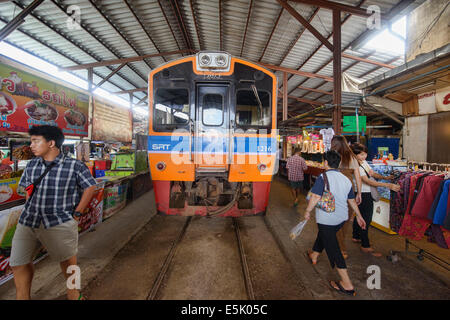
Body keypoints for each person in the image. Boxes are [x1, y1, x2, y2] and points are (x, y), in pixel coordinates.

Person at [10, 125, 97, 300]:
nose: (31, 145)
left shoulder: (75, 165)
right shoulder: (32, 164)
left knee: (68, 263)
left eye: (35, 141)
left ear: (51, 143)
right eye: (31, 141)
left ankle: (74, 294)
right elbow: (28, 190)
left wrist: (77, 214)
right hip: (28, 221)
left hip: (59, 221)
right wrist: (28, 207)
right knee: (18, 263)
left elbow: (90, 187)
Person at [304, 150, 366, 296]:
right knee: (326, 236)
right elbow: (351, 200)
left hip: (327, 219)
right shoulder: (346, 179)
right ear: (338, 163)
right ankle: (314, 255)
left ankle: (347, 284)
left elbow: (315, 197)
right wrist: (359, 215)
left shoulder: (322, 177)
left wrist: (307, 211)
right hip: (341, 219)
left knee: (334, 249)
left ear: (325, 162)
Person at [350, 143, 400, 257]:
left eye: (365, 153)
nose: (364, 156)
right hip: (363, 193)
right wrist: (388, 186)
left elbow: (372, 174)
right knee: (366, 219)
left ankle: (356, 236)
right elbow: (368, 181)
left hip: (364, 193)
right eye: (361, 154)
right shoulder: (356, 165)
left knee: (360, 216)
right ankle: (365, 245)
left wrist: (385, 178)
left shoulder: (363, 162)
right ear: (355, 154)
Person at [330, 135, 362, 259]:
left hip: (335, 191)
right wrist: (358, 193)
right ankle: (339, 247)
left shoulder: (331, 156)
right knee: (345, 221)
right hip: (349, 191)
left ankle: (341, 249)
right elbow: (357, 177)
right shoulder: (352, 157)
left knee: (335, 220)